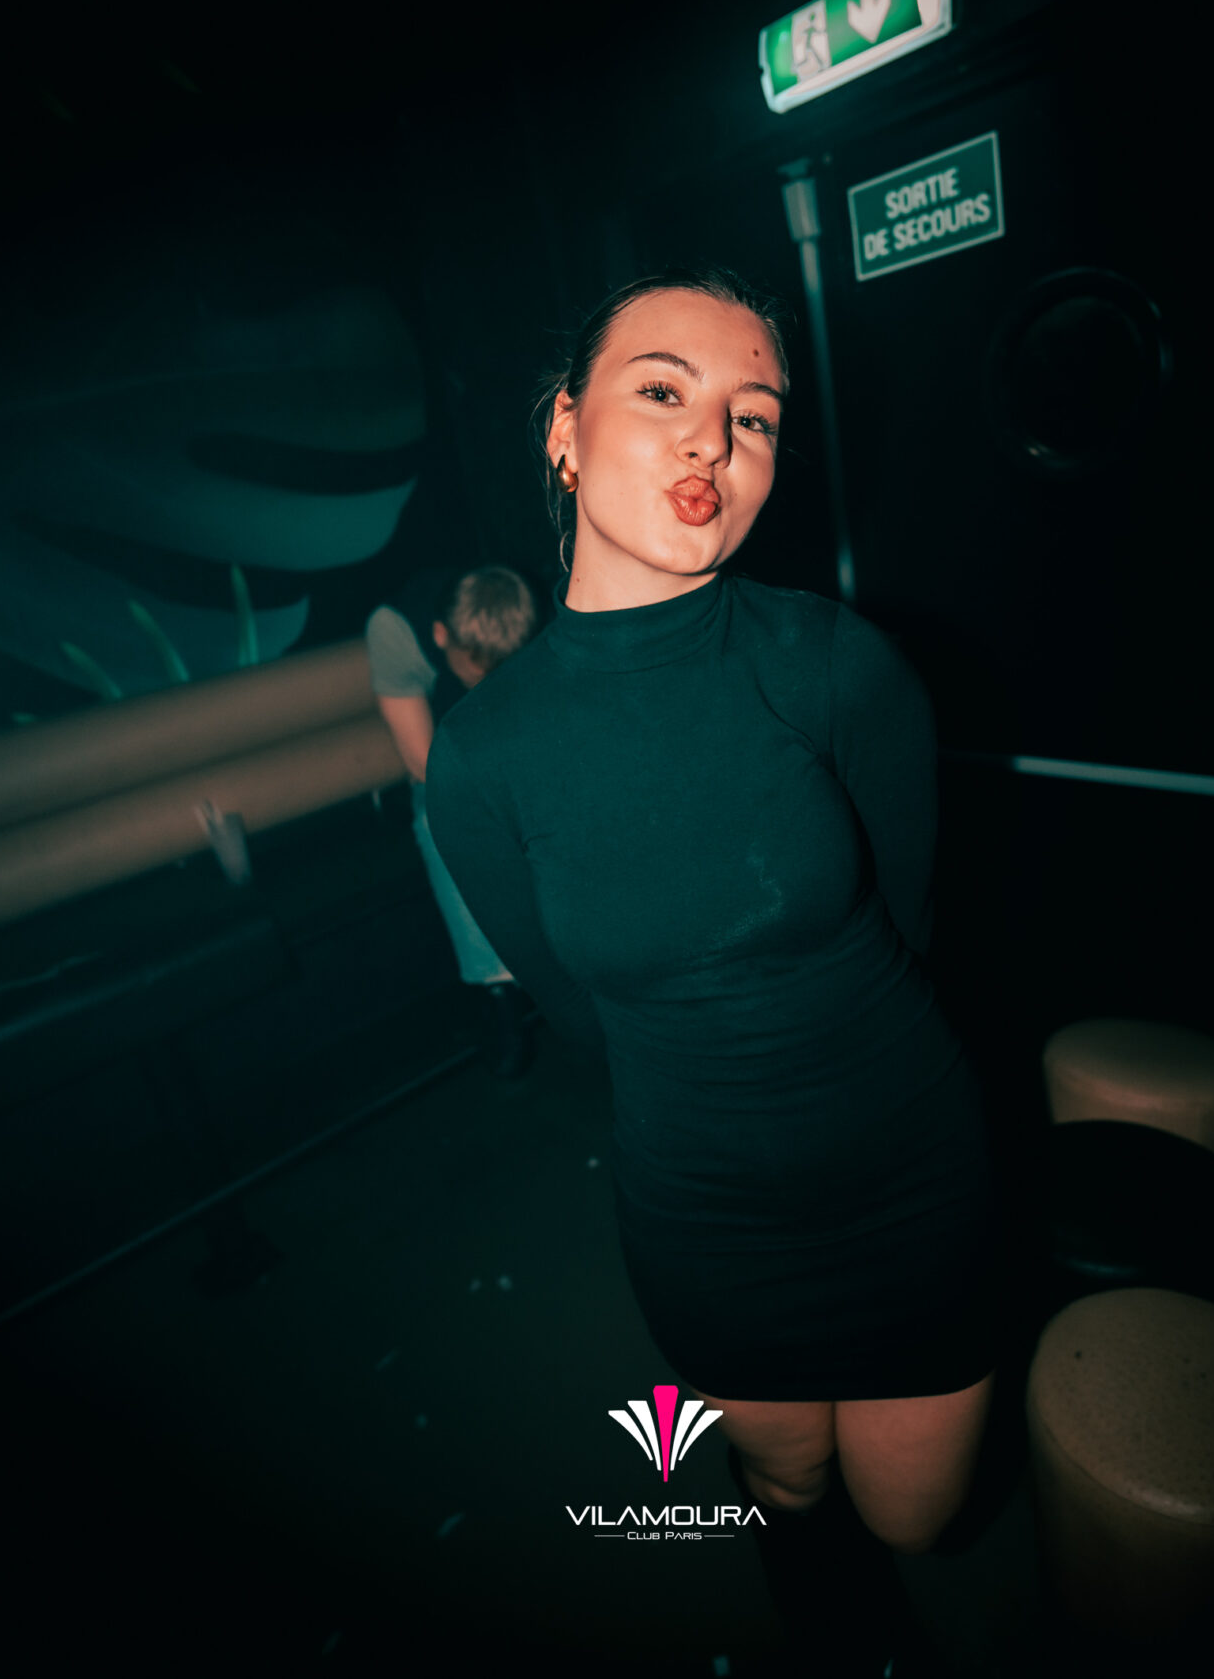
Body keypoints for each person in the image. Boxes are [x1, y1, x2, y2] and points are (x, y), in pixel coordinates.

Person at [423, 267, 1005, 1651]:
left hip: (914, 1174)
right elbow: (577, 1006)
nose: (713, 439)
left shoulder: (835, 662)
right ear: (564, 430)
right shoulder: (483, 758)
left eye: (754, 416)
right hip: (709, 1210)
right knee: (787, 1481)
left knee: (917, 1514)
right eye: (663, 392)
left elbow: (913, 916)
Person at [365, 564, 543, 1077]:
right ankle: (500, 994)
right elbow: (424, 765)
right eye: (476, 670)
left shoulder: (526, 613)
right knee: (438, 824)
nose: (488, 682)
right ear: (441, 635)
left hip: (513, 748)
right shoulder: (395, 630)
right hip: (446, 761)